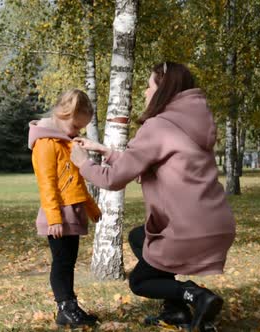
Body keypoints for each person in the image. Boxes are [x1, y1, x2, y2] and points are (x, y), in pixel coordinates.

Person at [70, 62, 236, 331]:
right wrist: (104, 151)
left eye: (149, 87)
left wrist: (83, 164)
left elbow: (113, 179)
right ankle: (177, 311)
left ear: (163, 89)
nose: (145, 93)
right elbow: (145, 162)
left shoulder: (158, 126)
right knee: (140, 238)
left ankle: (195, 295)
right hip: (216, 224)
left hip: (187, 230)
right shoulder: (193, 123)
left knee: (140, 282)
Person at [28, 89, 102, 328]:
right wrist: (53, 218)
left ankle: (69, 307)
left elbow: (77, 180)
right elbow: (47, 184)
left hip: (74, 211)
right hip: (58, 214)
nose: (77, 132)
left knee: (68, 261)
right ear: (62, 115)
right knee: (61, 262)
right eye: (75, 127)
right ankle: (65, 306)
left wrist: (91, 207)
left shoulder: (66, 143)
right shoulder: (45, 144)